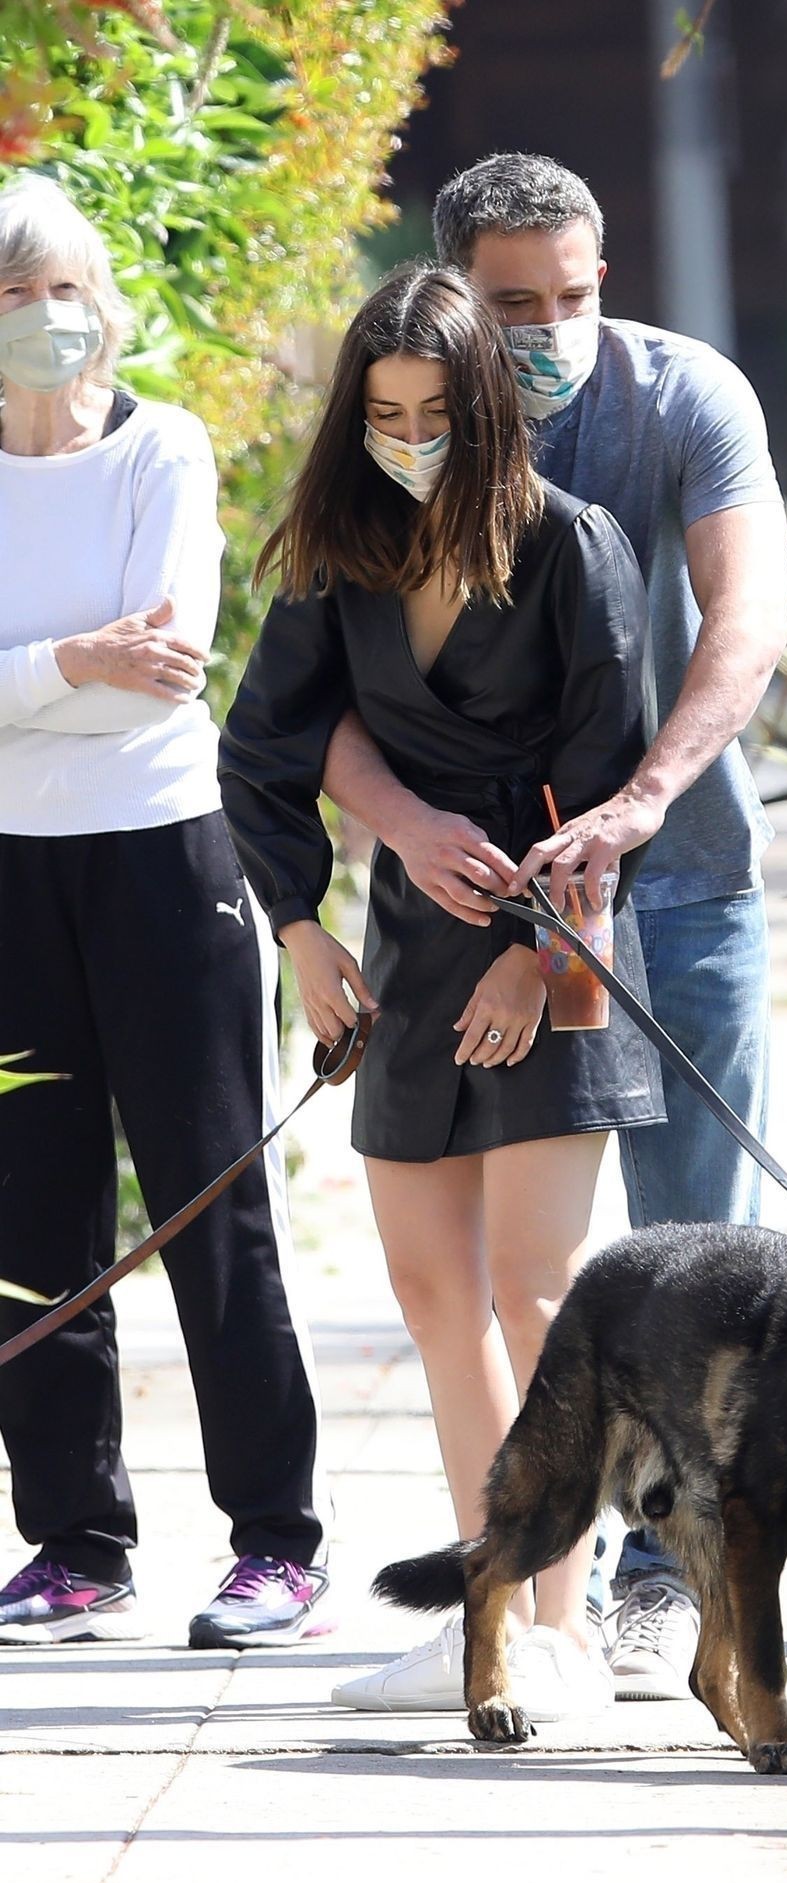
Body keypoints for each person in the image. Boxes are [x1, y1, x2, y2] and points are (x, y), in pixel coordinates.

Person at [321, 153, 787, 1704]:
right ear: (453, 293)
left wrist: (644, 801)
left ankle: (675, 1580)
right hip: (488, 920)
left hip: (684, 881)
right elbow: (318, 682)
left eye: (575, 296)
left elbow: (749, 618)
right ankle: (551, 1603)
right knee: (527, 1279)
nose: (549, 330)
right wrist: (403, 839)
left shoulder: (683, 398)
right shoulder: (410, 414)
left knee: (696, 1264)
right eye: (513, 304)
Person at [217, 263, 664, 1721]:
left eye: (435, 414)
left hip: (557, 955)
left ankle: (568, 1629)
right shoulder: (341, 551)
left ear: (486, 409)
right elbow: (264, 748)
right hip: (409, 956)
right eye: (384, 414)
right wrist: (302, 931)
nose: (409, 439)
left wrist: (540, 958)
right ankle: (491, 1620)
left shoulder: (574, 545)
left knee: (539, 1295)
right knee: (431, 1296)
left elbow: (613, 785)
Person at [0, 175, 329, 1649]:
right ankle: (77, 1545)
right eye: (12, 294)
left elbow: (173, 662)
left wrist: (30, 676)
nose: (42, 317)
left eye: (63, 287)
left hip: (162, 859)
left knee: (212, 1199)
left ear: (106, 304)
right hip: (10, 871)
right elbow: (114, 666)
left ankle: (278, 1543)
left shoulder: (163, 449)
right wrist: (80, 658)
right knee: (29, 1210)